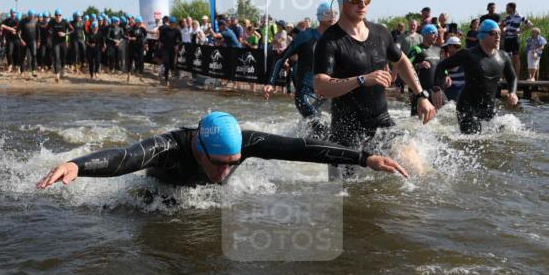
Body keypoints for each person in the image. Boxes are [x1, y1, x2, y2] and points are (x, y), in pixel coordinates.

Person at [37, 111, 409, 189]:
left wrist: (363, 158)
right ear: (199, 147)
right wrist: (77, 165)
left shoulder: (246, 142)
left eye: (234, 165)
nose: (226, 173)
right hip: (160, 193)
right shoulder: (171, 145)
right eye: (219, 164)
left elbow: (302, 149)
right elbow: (125, 157)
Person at [313, 0, 435, 174]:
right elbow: (321, 85)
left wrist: (420, 94)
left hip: (381, 121)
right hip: (346, 129)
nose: (362, 5)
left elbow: (402, 60)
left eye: (367, 1)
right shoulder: (329, 41)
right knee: (347, 196)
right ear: (341, 2)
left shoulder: (381, 33)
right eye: (355, 1)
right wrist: (362, 80)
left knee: (414, 169)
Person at [433, 19, 518, 134]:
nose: (498, 36)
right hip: (467, 107)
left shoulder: (503, 57)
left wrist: (512, 92)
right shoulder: (468, 54)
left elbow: (512, 77)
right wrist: (437, 88)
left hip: (489, 107)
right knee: (473, 141)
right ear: (482, 36)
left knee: (498, 140)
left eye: (499, 33)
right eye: (493, 33)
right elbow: (441, 66)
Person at [263, 2, 335, 133]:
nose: (333, 16)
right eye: (328, 13)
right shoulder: (306, 36)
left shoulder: (337, 39)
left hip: (327, 93)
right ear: (320, 17)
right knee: (320, 128)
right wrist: (270, 83)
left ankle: (295, 137)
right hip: (305, 95)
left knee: (333, 127)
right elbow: (281, 58)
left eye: (335, 13)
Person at [500, 2, 528, 77]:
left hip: (515, 39)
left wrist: (520, 30)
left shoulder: (520, 16)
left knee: (516, 58)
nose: (506, 9)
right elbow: (502, 25)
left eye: (507, 8)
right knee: (507, 58)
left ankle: (517, 77)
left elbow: (530, 24)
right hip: (507, 39)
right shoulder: (506, 18)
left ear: (512, 8)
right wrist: (503, 31)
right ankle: (507, 77)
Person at [157, 16, 182, 86]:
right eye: (171, 23)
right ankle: (166, 80)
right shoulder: (165, 29)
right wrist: (160, 43)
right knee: (167, 64)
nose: (172, 24)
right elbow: (160, 38)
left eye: (173, 23)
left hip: (173, 49)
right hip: (165, 49)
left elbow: (180, 40)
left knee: (172, 64)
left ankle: (169, 74)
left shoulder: (177, 30)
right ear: (169, 23)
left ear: (175, 23)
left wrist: (177, 45)